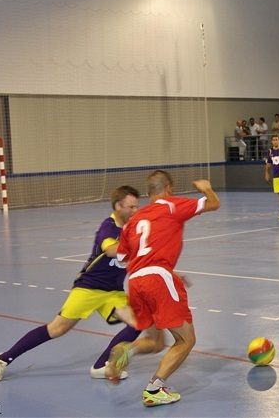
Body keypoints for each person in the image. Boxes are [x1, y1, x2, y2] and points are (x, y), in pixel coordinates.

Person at [0, 186, 165, 383]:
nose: (135, 211)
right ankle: (3, 359)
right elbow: (111, 250)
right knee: (57, 329)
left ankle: (101, 366)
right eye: (130, 207)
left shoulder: (133, 228)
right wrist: (135, 246)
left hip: (113, 292)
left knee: (139, 321)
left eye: (136, 207)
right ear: (117, 206)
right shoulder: (109, 226)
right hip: (88, 287)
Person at [107, 171, 220, 407]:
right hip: (157, 279)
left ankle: (127, 350)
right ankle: (154, 389)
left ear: (148, 193)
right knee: (186, 340)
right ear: (168, 189)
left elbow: (122, 257)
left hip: (136, 282)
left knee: (156, 343)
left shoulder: (134, 221)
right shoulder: (170, 205)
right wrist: (206, 188)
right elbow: (213, 204)